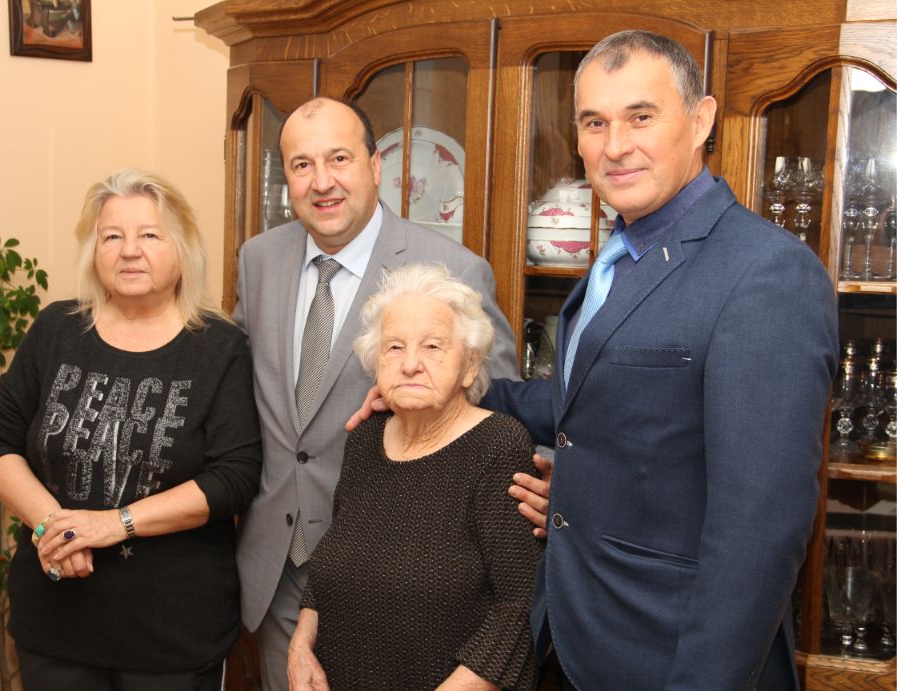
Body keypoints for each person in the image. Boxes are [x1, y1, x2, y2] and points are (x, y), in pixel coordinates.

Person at [352, 30, 839, 689]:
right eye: (594, 122)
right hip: (576, 636)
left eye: (641, 116)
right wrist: (449, 386)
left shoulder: (767, 273)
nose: (615, 145)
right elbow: (589, 400)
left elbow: (760, 532)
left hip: (675, 658)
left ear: (701, 121)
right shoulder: (621, 252)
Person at [232, 96, 546, 691]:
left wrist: (543, 488)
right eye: (302, 164)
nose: (322, 181)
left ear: (376, 165)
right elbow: (241, 393)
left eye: (339, 158)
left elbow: (498, 407)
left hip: (423, 585)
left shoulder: (453, 267)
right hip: (280, 570)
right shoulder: (259, 259)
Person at [0, 169, 262, 691]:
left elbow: (234, 477)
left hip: (172, 634)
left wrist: (114, 524)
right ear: (94, 251)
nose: (130, 251)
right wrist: (55, 527)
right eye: (112, 236)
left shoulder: (219, 347)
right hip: (54, 624)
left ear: (182, 250)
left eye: (149, 234)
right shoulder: (57, 329)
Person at [287, 264, 542, 691]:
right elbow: (336, 560)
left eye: (432, 346)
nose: (410, 365)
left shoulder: (498, 445)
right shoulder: (366, 439)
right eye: (394, 347)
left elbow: (519, 607)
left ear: (470, 365)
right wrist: (300, 645)